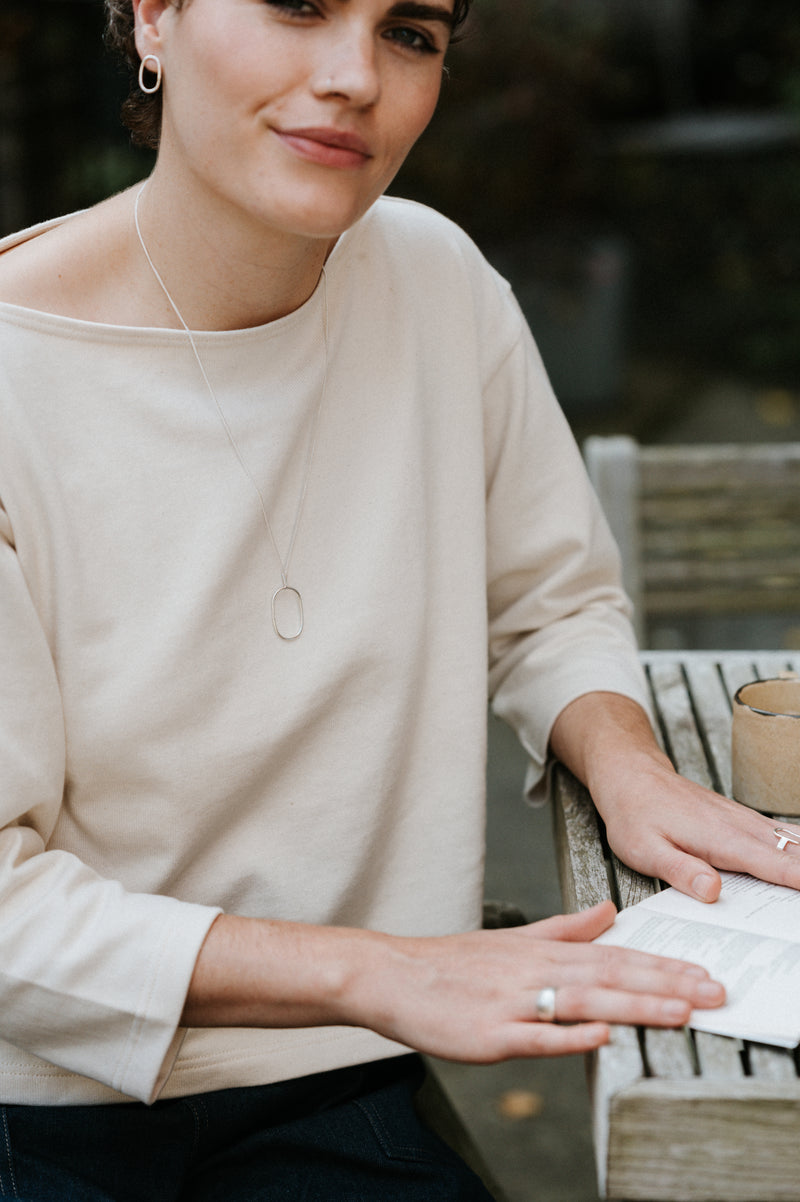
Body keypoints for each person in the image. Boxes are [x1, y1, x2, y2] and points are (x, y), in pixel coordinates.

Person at [0, 0, 797, 1197]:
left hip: (332, 1085)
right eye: (299, 7)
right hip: (44, 1109)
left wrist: (625, 758)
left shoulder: (433, 277)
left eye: (409, 32)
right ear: (154, 16)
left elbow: (549, 598)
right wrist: (382, 970)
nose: (353, 76)